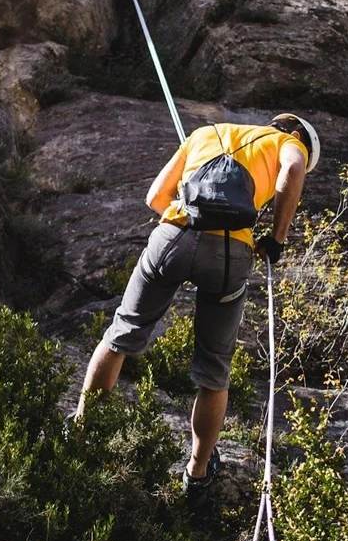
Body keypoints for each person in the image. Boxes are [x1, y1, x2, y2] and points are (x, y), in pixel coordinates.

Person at [74, 113, 320, 507]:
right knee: (214, 369)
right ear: (294, 133)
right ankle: (197, 471)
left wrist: (188, 220)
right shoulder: (290, 144)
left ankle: (83, 432)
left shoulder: (207, 132)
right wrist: (277, 238)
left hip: (173, 235)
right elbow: (292, 170)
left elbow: (155, 197)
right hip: (228, 253)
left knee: (121, 333)